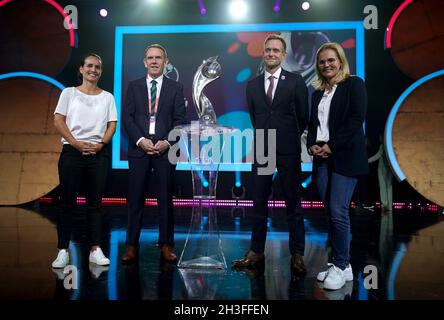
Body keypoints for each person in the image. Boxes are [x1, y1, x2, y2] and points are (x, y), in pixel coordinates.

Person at [232, 34, 309, 274]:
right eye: (268, 50)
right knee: (259, 202)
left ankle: (297, 254)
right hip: (263, 146)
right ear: (263, 53)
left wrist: (289, 135)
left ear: (284, 55)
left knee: (293, 203)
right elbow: (256, 118)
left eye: (276, 50)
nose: (271, 54)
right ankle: (256, 251)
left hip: (288, 148)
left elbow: (303, 117)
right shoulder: (252, 84)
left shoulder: (295, 81)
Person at [307, 42, 368, 290]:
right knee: (330, 213)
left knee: (337, 210)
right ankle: (339, 264)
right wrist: (313, 145)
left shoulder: (354, 84)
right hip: (321, 157)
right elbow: (312, 126)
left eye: (331, 60)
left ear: (340, 61)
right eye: (322, 62)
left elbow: (356, 120)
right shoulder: (317, 94)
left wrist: (332, 145)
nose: (326, 65)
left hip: (344, 155)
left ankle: (341, 265)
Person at [121, 44, 186, 264]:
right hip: (139, 150)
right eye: (150, 57)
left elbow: (180, 121)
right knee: (135, 200)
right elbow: (127, 118)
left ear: (166, 61)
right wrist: (141, 141)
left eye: (159, 57)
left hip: (165, 151)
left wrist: (167, 142)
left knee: (165, 200)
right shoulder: (134, 86)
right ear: (144, 61)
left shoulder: (176, 87)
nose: (154, 61)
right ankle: (131, 245)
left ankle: (166, 245)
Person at [52, 53, 117, 269]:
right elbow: (58, 120)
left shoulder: (107, 97)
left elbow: (112, 124)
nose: (93, 70)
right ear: (81, 69)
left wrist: (101, 145)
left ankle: (95, 249)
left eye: (97, 67)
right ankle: (63, 250)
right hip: (72, 151)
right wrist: (75, 143)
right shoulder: (68, 93)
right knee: (67, 203)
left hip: (98, 154)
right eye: (89, 66)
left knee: (95, 204)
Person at [368, 134, 394, 212]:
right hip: (390, 168)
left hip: (383, 169)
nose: (379, 138)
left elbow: (377, 156)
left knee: (383, 187)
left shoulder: (383, 146)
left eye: (380, 136)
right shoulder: (390, 146)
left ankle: (384, 205)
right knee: (389, 187)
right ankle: (389, 206)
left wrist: (367, 160)